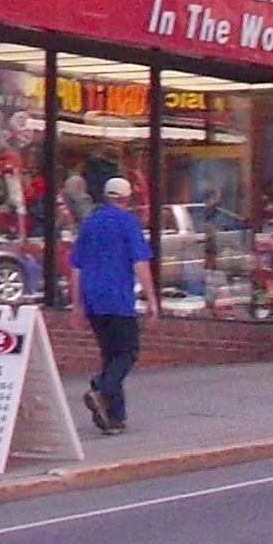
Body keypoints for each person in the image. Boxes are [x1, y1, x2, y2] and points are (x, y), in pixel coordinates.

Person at [71, 170, 154, 435]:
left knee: (110, 356)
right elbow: (140, 263)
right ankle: (101, 388)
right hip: (118, 298)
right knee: (128, 352)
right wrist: (151, 298)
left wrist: (76, 305)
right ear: (127, 199)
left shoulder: (89, 223)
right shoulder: (129, 223)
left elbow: (76, 268)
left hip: (92, 298)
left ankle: (114, 418)